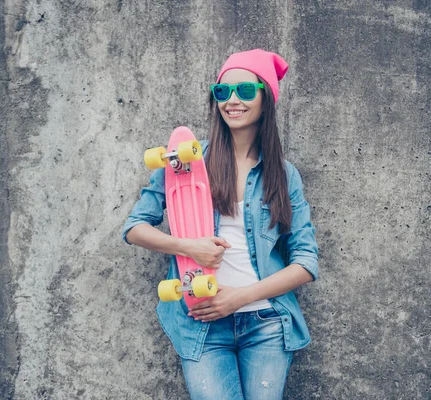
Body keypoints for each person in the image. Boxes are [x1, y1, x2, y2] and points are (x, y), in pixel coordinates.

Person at [122, 49, 318, 400]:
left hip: (266, 324)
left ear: (265, 98)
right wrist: (187, 246)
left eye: (244, 91)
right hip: (202, 323)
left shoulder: (284, 175)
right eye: (221, 91)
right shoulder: (184, 163)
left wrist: (239, 298)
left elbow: (305, 263)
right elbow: (135, 227)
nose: (232, 100)